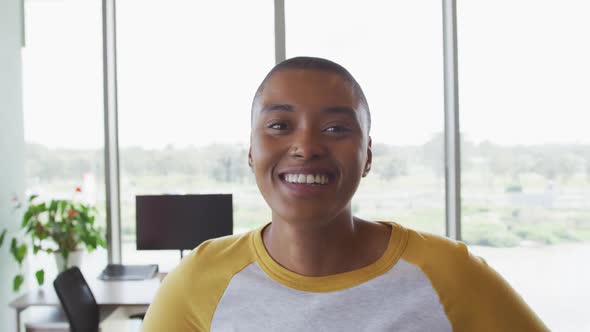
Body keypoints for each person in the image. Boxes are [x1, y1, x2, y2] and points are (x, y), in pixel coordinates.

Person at [142, 57, 548, 331]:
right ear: (251, 152)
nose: (306, 146)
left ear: (367, 155)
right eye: (280, 126)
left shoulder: (449, 273)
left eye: (336, 128)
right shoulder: (197, 282)